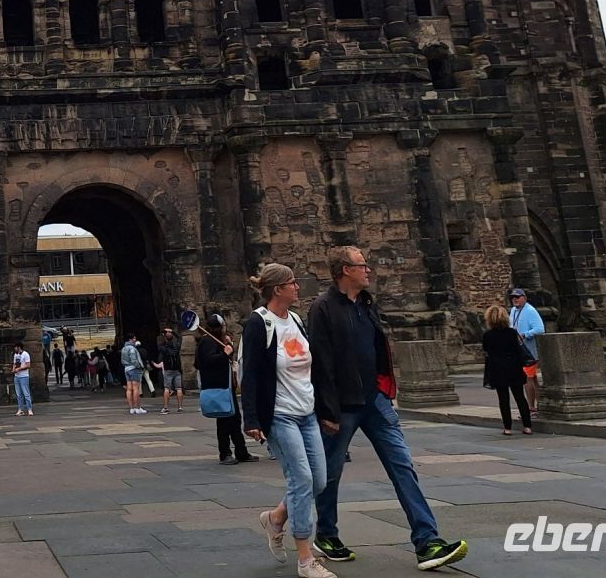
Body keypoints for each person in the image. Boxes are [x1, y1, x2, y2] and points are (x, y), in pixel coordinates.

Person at [310, 245, 467, 571]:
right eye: (362, 265)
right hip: (343, 405)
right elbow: (321, 363)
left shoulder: (366, 304)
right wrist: (327, 410)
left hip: (375, 400)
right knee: (330, 473)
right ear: (345, 270)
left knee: (402, 466)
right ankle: (326, 534)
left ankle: (427, 541)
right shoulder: (323, 308)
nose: (368, 269)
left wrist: (383, 388)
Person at [242, 265, 331, 578]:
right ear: (278, 289)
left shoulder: (295, 320)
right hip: (280, 415)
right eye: (293, 283)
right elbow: (250, 373)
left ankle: (277, 517)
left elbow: (309, 368)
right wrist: (251, 419)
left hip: (306, 412)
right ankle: (305, 558)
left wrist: (324, 407)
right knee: (301, 479)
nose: (298, 287)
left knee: (318, 480)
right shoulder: (259, 323)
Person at [195, 311, 253, 465]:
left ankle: (241, 451)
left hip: (226, 387)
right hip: (218, 387)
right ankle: (225, 453)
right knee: (224, 421)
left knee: (234, 419)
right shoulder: (207, 341)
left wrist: (228, 346)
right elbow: (206, 362)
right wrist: (225, 354)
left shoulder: (216, 341)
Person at [481, 305, 532, 435]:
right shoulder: (512, 333)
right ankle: (527, 426)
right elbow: (518, 348)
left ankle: (507, 428)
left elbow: (486, 350)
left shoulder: (488, 335)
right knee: (520, 397)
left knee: (503, 399)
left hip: (498, 368)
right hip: (514, 367)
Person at [508, 288, 545, 413]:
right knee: (532, 378)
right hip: (519, 350)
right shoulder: (513, 310)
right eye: (513, 297)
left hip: (530, 351)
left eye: (517, 297)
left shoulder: (530, 311)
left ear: (524, 298)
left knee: (527, 378)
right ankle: (540, 405)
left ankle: (531, 407)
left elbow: (540, 329)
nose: (515, 299)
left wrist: (525, 334)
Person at [157, 326, 185, 413]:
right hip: (177, 369)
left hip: (168, 369)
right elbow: (180, 338)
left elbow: (159, 345)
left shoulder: (162, 347)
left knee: (167, 388)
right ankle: (180, 407)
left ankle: (166, 407)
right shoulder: (176, 345)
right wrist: (172, 331)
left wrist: (164, 334)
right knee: (179, 388)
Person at [120, 334, 146, 414]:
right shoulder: (132, 348)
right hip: (134, 369)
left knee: (129, 389)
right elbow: (134, 360)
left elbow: (122, 360)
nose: (135, 339)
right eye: (134, 338)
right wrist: (139, 366)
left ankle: (131, 408)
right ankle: (138, 407)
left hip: (126, 368)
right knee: (136, 388)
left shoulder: (123, 348)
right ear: (130, 339)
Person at [11, 343, 33, 415]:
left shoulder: (25, 354)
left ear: (19, 347)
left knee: (26, 393)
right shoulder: (15, 355)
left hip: (24, 376)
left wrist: (19, 369)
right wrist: (13, 369)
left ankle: (29, 409)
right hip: (17, 376)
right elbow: (14, 363)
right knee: (19, 394)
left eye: (15, 347)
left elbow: (28, 365)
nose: (15, 349)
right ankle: (20, 409)